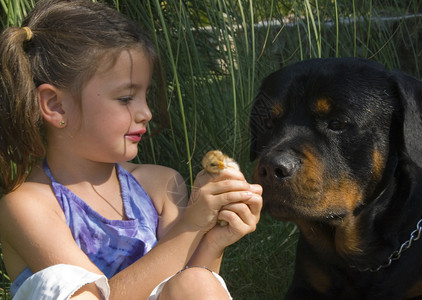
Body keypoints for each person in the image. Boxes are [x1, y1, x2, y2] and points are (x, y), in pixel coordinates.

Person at [0, 0, 263, 299]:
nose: (146, 113)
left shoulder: (160, 185)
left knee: (196, 282)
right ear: (56, 105)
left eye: (145, 95)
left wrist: (213, 237)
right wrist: (190, 225)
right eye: (126, 98)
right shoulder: (28, 206)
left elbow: (190, 283)